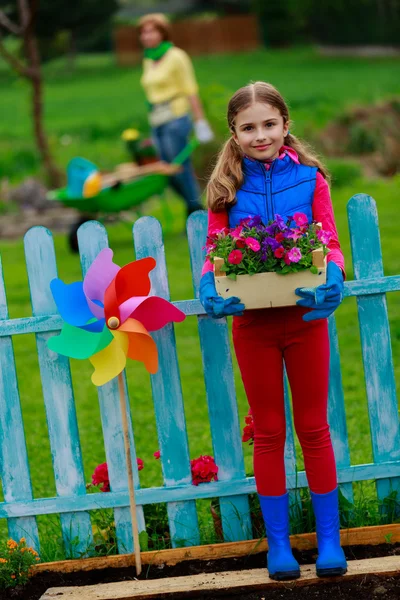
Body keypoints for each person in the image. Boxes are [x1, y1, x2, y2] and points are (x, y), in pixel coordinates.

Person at [199, 82, 347, 581]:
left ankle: (329, 540)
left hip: (306, 323)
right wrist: (209, 290)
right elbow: (213, 250)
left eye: (269, 124)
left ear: (285, 124)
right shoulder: (225, 189)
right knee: (267, 432)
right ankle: (278, 547)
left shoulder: (310, 179)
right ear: (234, 133)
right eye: (248, 127)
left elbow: (327, 238)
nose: (260, 135)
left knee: (313, 428)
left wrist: (334, 279)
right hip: (254, 326)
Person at [138, 13, 214, 218]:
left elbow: (190, 89)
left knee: (178, 168)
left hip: (176, 117)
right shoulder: (148, 58)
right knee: (166, 173)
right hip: (157, 119)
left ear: (163, 32)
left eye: (152, 31)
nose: (146, 36)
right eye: (143, 32)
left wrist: (200, 121)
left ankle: (195, 213)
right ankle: (195, 208)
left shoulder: (176, 56)